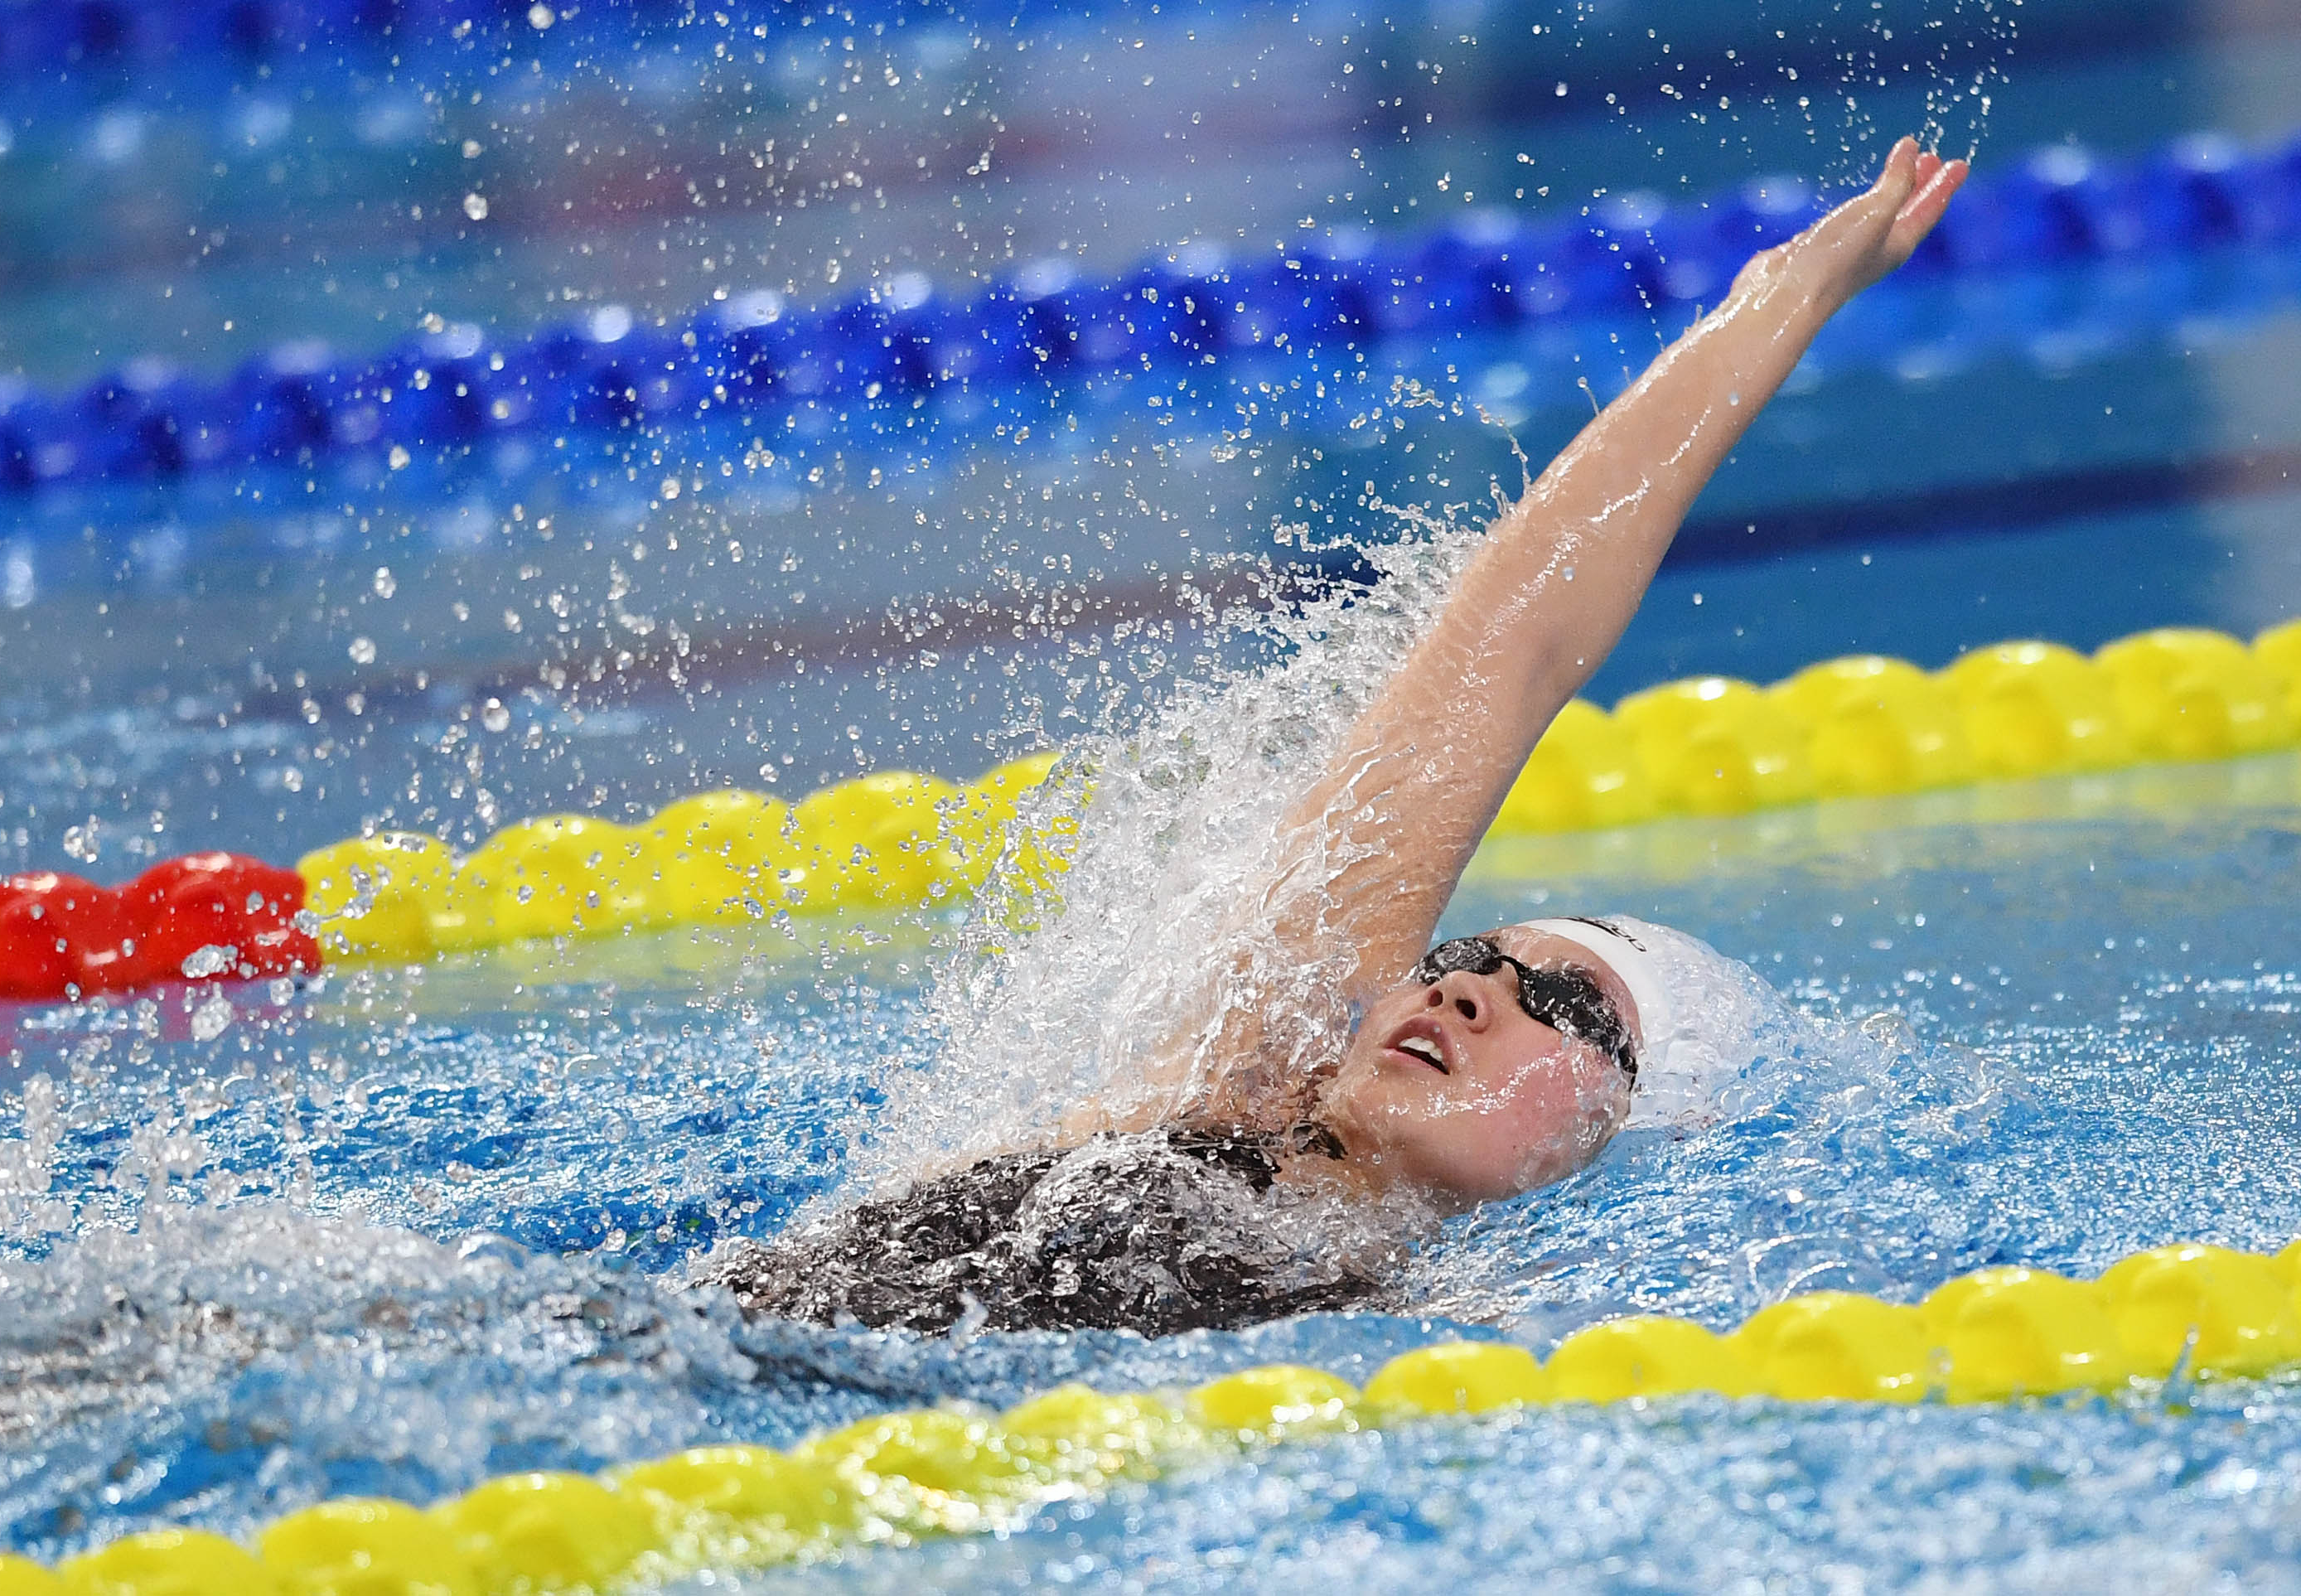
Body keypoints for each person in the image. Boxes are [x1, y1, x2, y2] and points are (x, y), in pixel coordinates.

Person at [700, 138, 1970, 1337]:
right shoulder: (1251, 1078)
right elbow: (1512, 639)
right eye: (1470, 956)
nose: (1465, 987)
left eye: (1565, 1006)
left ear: (1621, 1128)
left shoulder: (1469, 1324)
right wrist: (1781, 296)